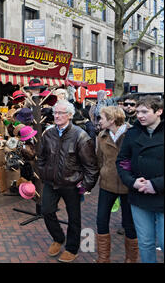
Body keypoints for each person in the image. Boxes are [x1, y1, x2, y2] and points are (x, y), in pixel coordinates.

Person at [36, 99, 99, 262]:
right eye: (55, 112)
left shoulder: (80, 136)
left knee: (74, 218)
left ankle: (72, 248)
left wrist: (85, 186)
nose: (56, 116)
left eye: (61, 113)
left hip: (72, 184)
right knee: (46, 211)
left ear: (70, 115)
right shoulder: (48, 133)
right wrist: (43, 174)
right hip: (51, 183)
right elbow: (41, 157)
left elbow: (91, 166)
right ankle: (58, 238)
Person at [116, 96, 164, 263]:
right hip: (139, 195)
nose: (140, 116)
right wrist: (132, 182)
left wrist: (156, 184)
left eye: (145, 111)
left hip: (162, 195)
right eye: (138, 112)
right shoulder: (132, 134)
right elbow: (122, 161)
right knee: (145, 242)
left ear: (159, 111)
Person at [95, 106, 138, 263]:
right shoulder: (102, 136)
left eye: (102, 118)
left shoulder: (133, 134)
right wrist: (104, 172)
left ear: (112, 120)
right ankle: (103, 259)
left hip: (129, 186)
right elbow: (99, 160)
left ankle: (131, 259)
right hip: (107, 184)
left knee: (129, 224)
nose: (99, 121)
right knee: (101, 220)